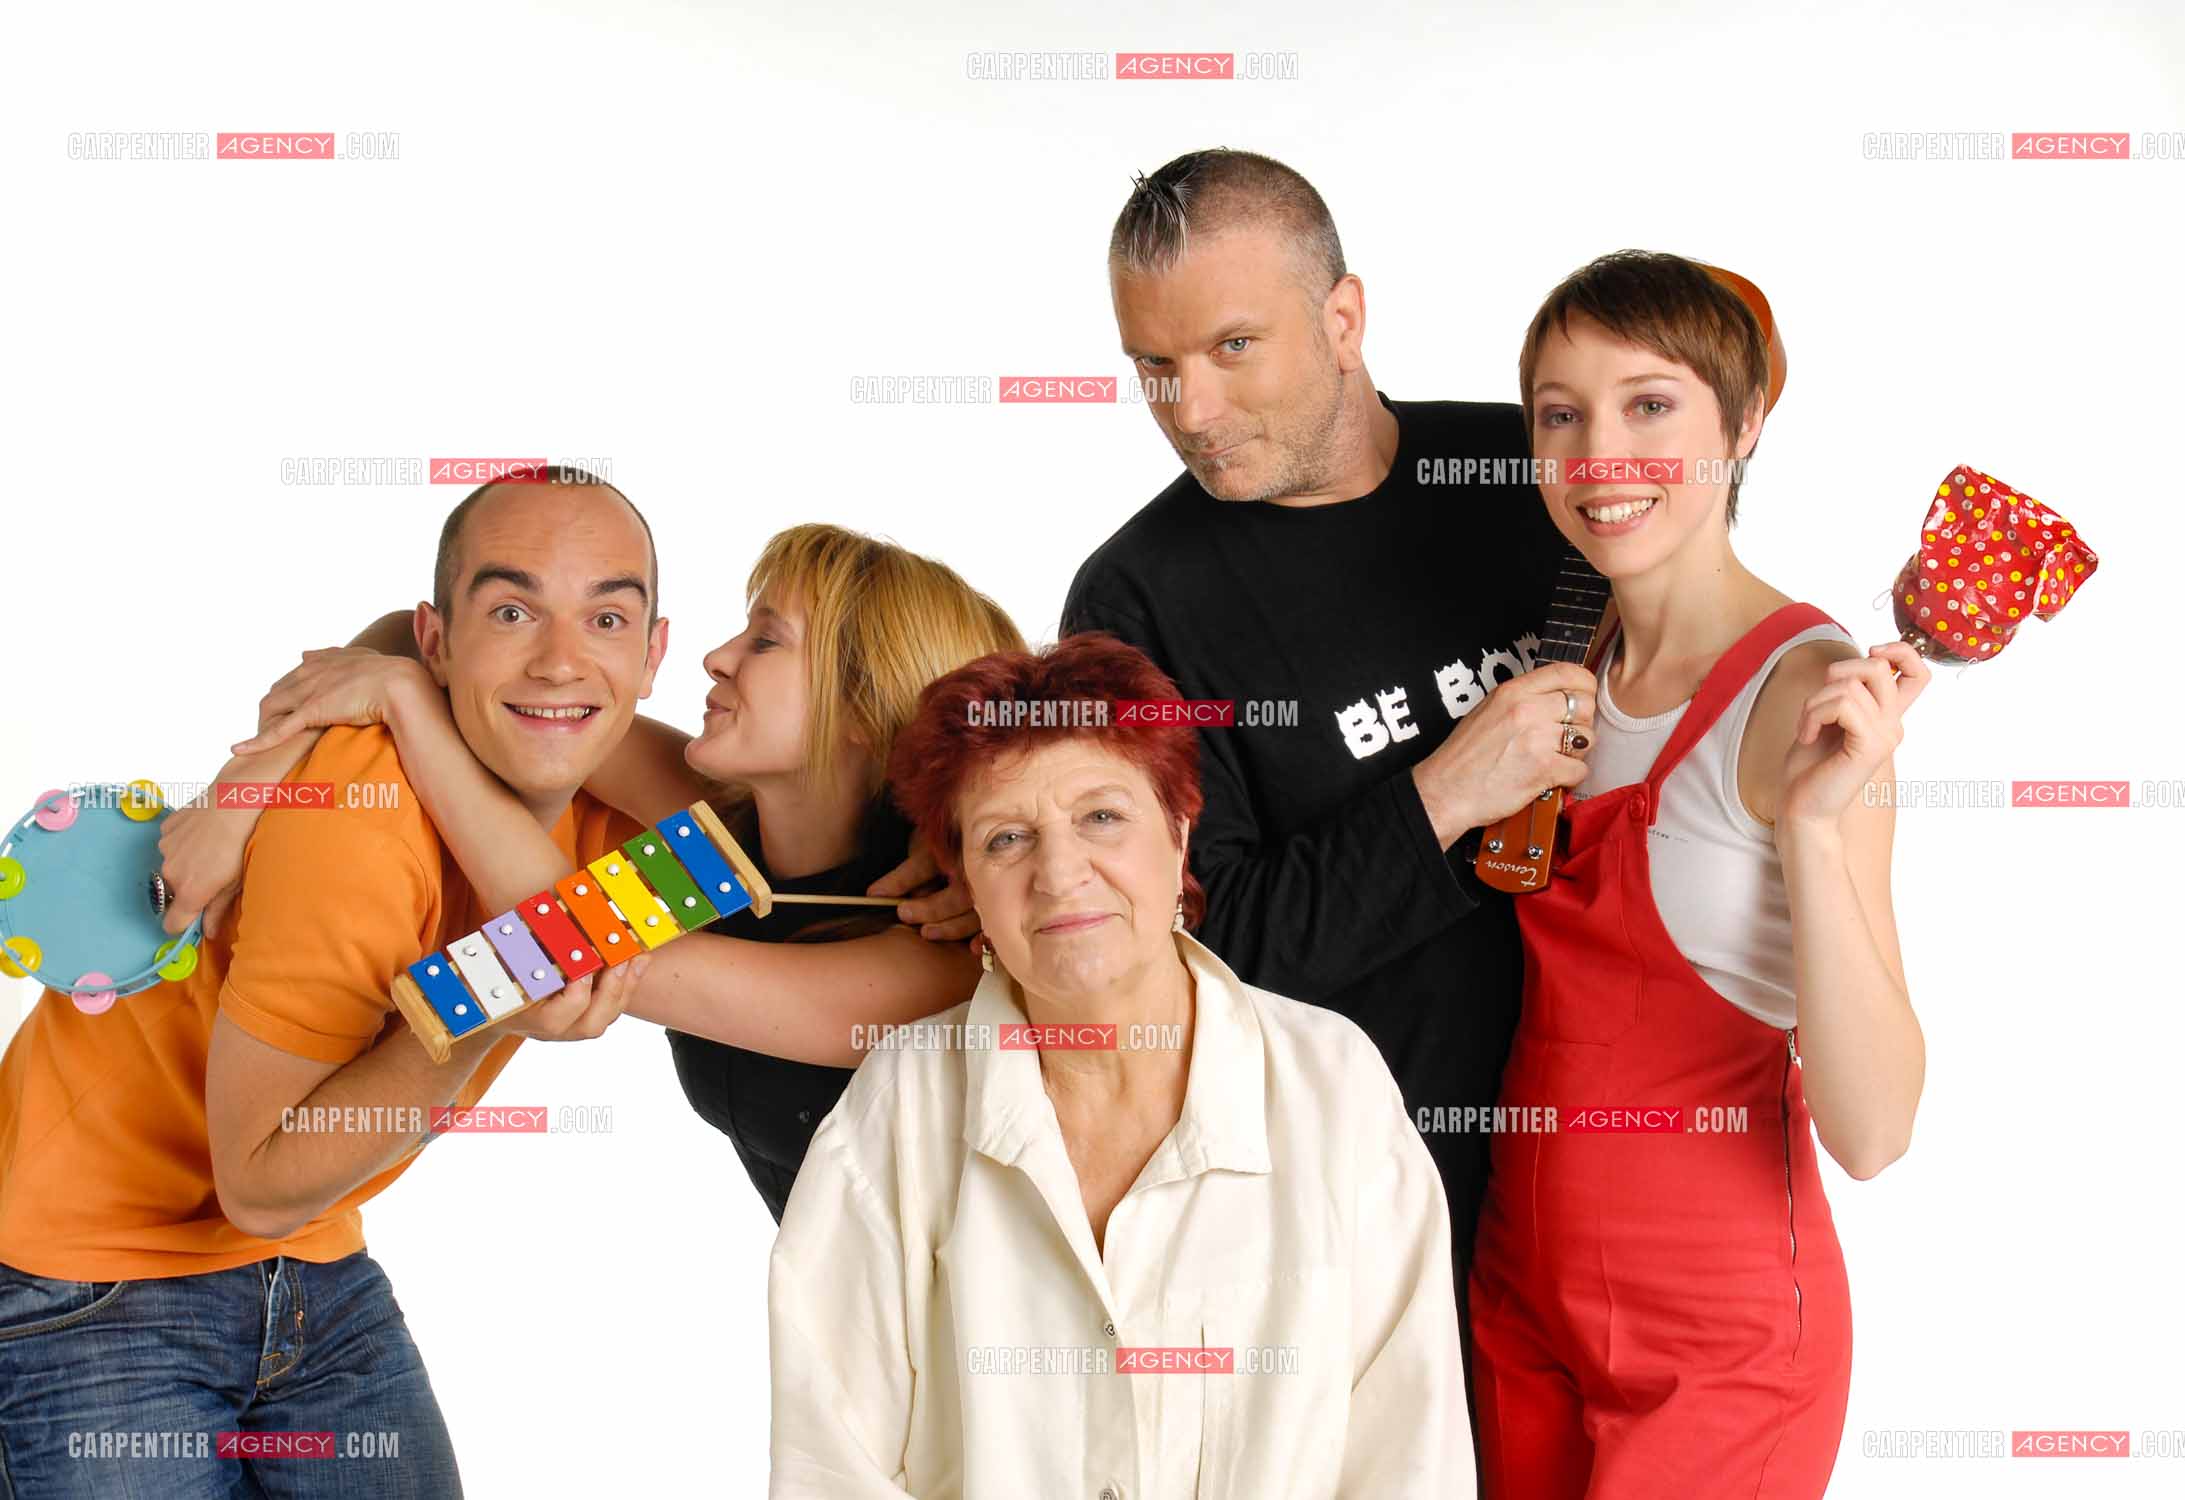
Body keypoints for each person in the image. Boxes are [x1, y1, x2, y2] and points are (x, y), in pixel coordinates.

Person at [0, 475, 661, 1498]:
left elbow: (804, 877)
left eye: (607, 616)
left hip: (312, 1263)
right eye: (513, 611)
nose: (563, 660)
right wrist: (484, 1001)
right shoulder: (362, 809)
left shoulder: (615, 781)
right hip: (90, 1273)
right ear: (441, 642)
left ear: (653, 650)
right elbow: (258, 1180)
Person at [1059, 146, 1595, 1393]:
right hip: (1359, 1236)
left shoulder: (1529, 471)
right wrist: (1451, 792)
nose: (1188, 406)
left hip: (1616, 1169)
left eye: (1231, 347)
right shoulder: (1135, 601)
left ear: (1344, 318)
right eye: (1155, 366)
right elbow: (1209, 958)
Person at [768, 633, 1476, 1498]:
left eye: (1102, 817)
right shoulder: (901, 1106)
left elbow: (1409, 1446)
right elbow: (829, 1457)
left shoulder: (1328, 1082)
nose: (1060, 874)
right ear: (968, 888)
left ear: (1180, 836)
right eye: (1006, 839)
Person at [199, 521, 1025, 1222]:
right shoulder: (730, 823)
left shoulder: (928, 957)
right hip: (848, 1347)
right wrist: (241, 794)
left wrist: (408, 709)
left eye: (766, 640)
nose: (715, 657)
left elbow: (553, 944)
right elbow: (434, 650)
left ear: (859, 708)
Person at [1468, 251, 1929, 1499]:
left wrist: (1818, 831)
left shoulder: (1801, 696)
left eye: (1650, 404)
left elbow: (1875, 1129)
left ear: (1748, 421)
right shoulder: (1561, 661)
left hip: (1717, 1345)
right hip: (1519, 1300)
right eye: (1561, 414)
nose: (1599, 453)